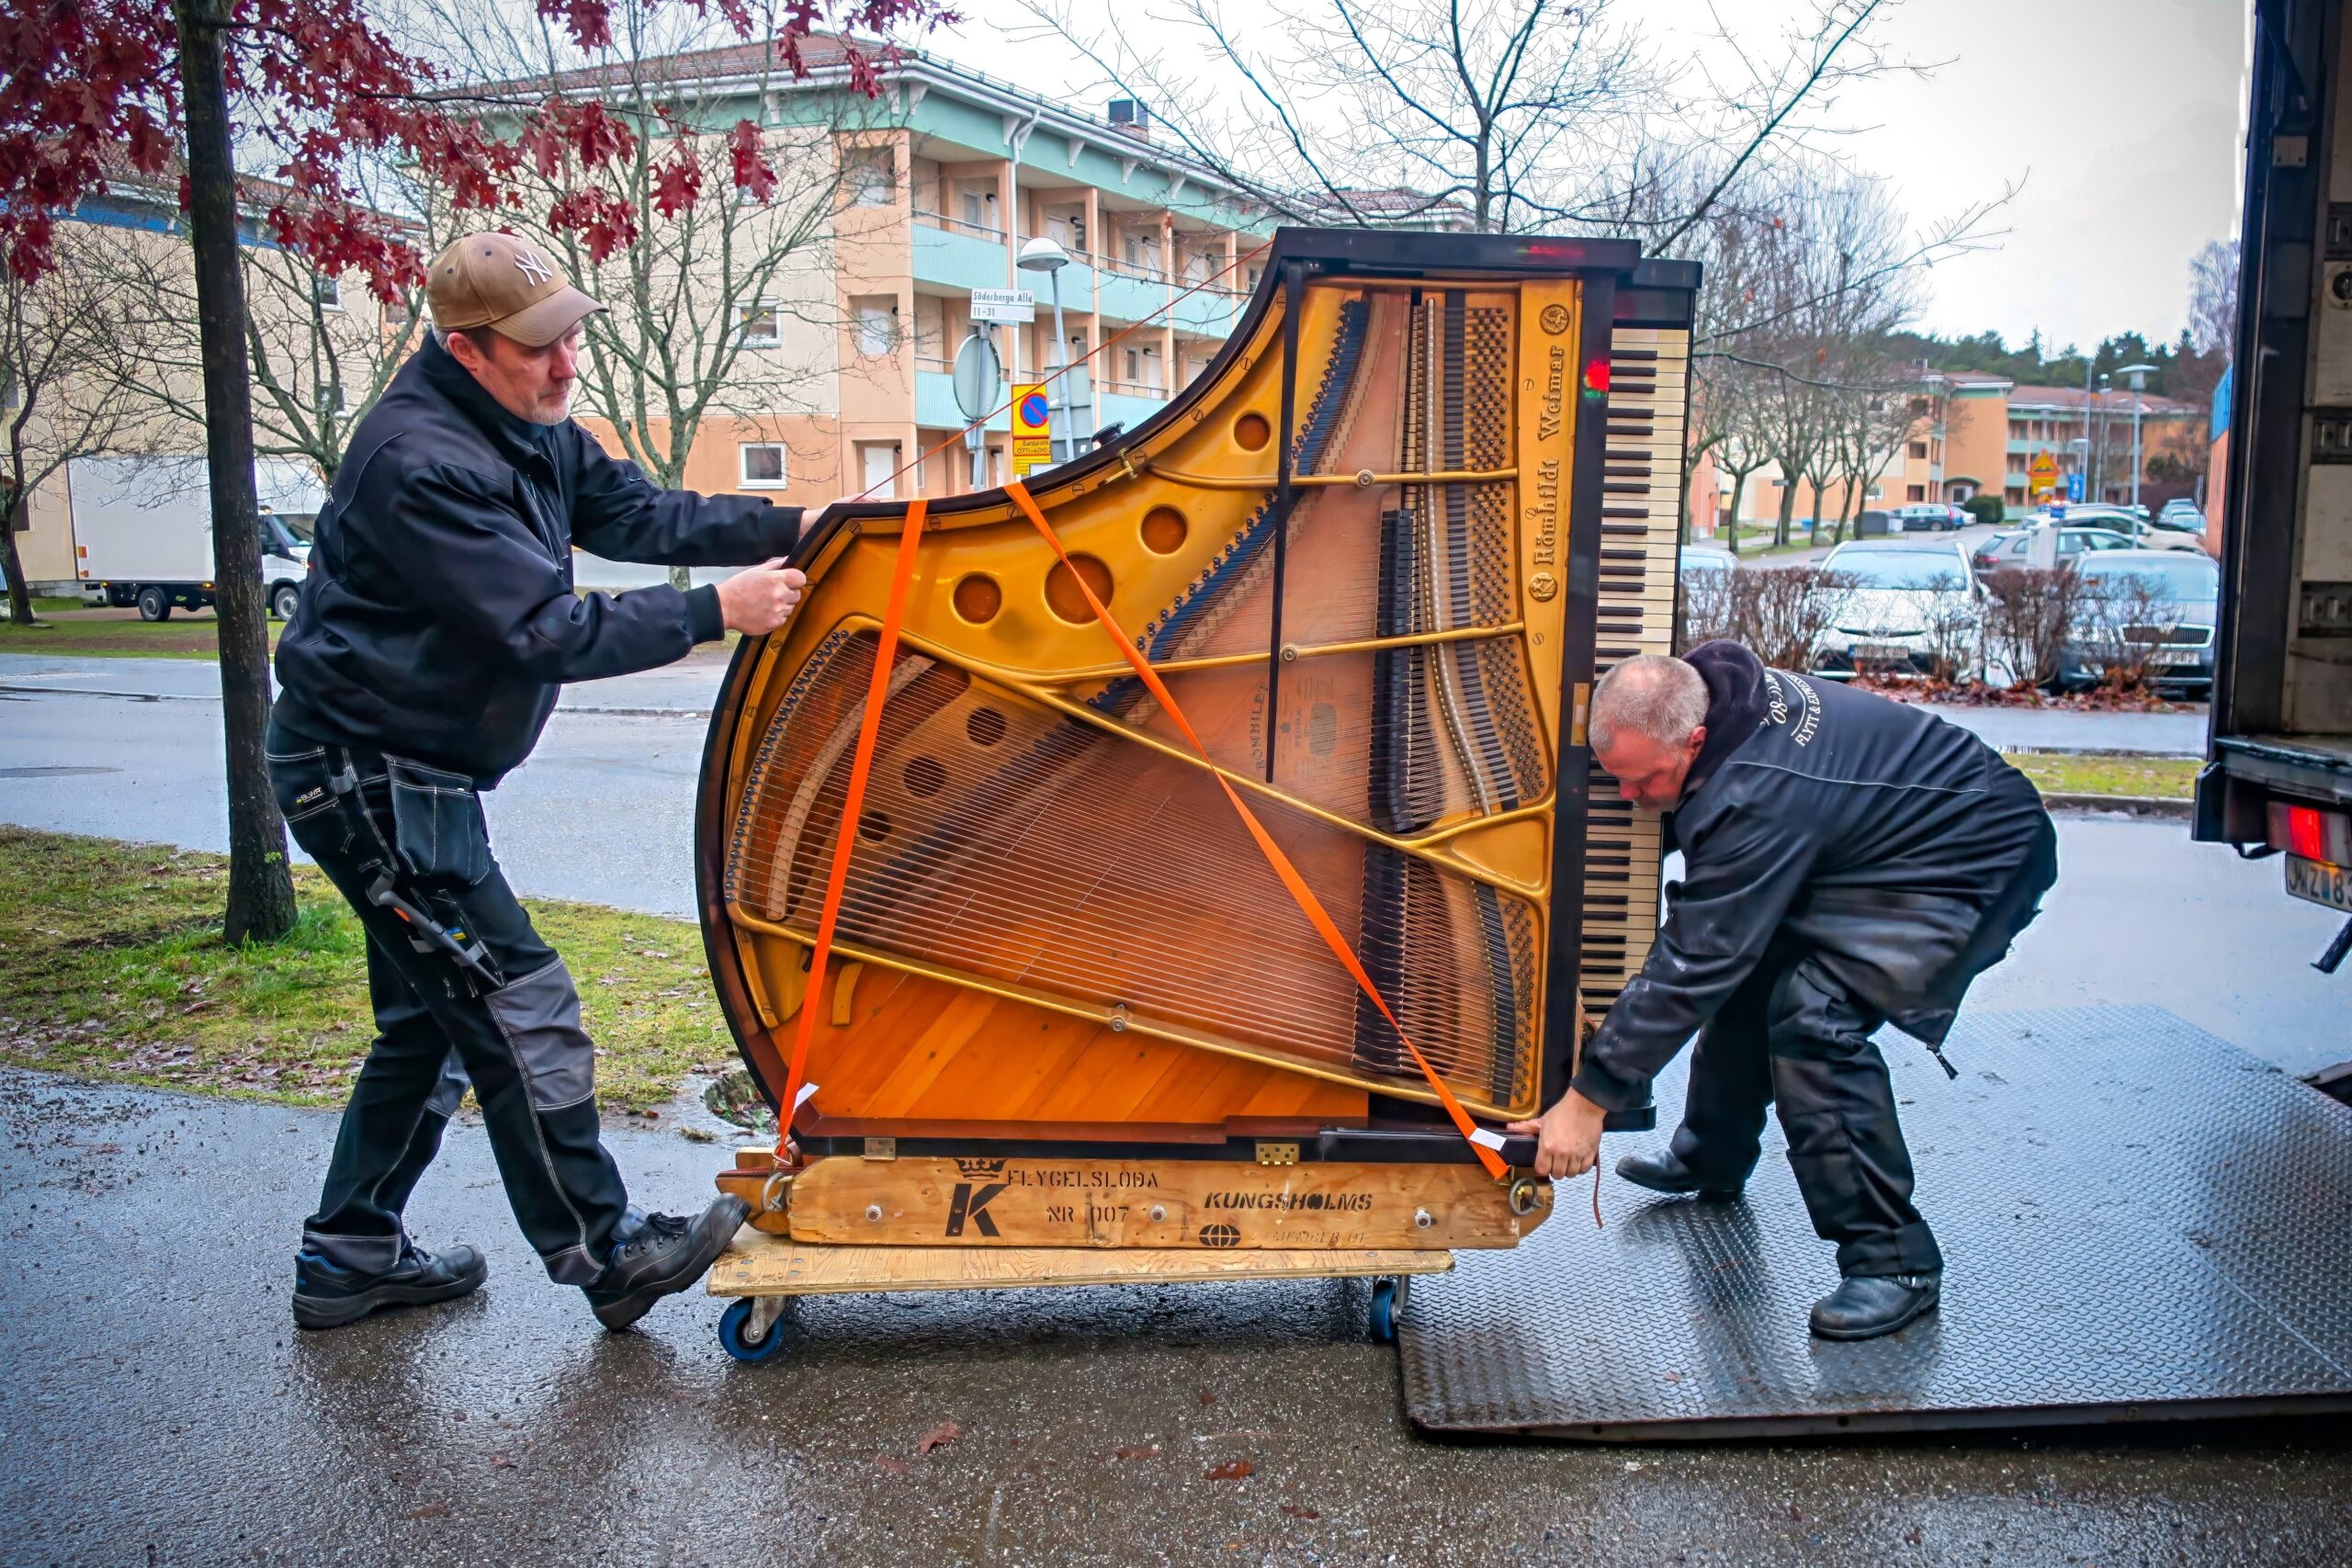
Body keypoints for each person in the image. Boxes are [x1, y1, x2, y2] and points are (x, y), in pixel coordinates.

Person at [268, 232, 820, 1333]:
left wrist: (803, 523)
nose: (566, 363)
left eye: (570, 334)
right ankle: (606, 1253)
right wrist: (717, 612)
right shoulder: (419, 462)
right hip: (365, 777)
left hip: (406, 771)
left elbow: (639, 515)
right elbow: (542, 627)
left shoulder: (528, 430)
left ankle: (349, 1253)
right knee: (521, 1003)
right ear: (467, 351)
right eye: (540, 348)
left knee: (432, 1022)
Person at [1509, 641, 2057, 1340]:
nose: (1631, 799)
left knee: (1814, 1016)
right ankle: (1712, 1152)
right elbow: (1720, 944)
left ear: (1696, 740)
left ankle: (1895, 1264)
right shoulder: (1712, 695)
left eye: (1644, 782)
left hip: (1975, 856)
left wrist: (1588, 1100)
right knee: (1754, 969)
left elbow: (1698, 955)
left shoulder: (1756, 792)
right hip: (1881, 838)